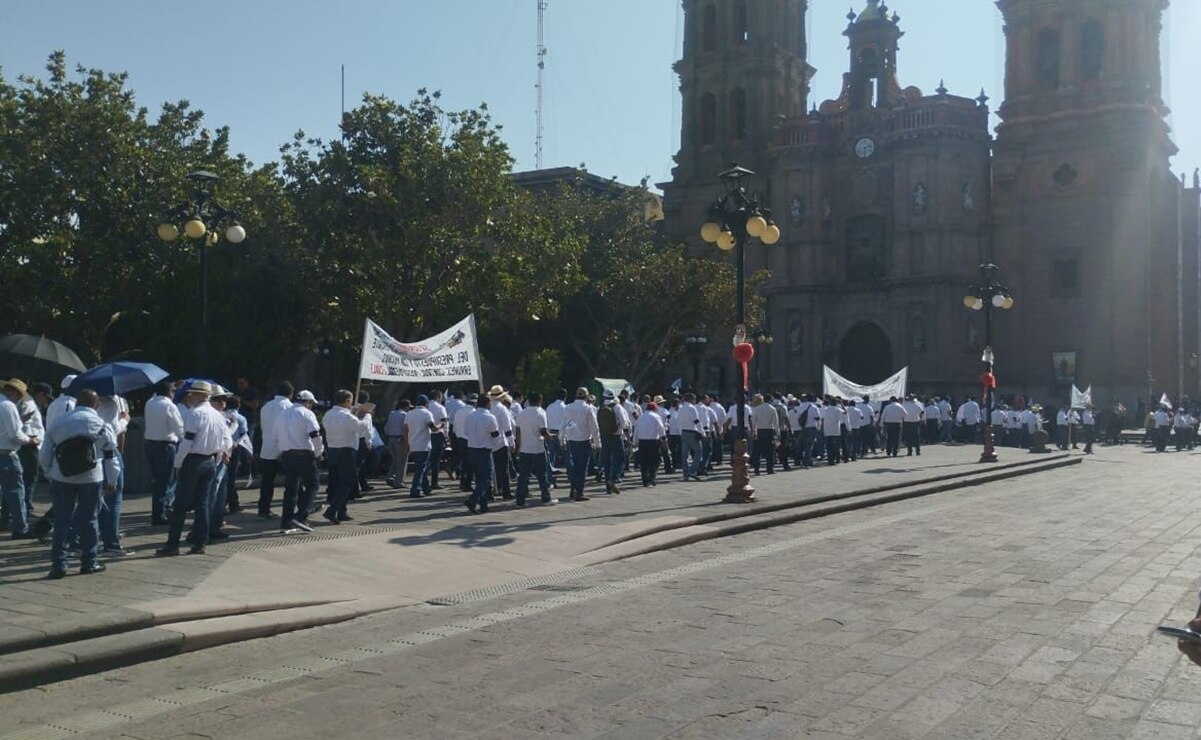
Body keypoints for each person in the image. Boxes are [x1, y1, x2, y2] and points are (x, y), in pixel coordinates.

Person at [39, 389, 120, 578]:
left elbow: (45, 455)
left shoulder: (58, 423)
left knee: (61, 520)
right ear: (96, 404)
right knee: (90, 519)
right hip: (91, 477)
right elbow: (111, 456)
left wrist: (50, 472)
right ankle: (89, 562)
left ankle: (59, 565)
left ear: (76, 403)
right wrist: (112, 479)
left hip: (62, 476)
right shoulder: (101, 425)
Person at [155, 381, 231, 556]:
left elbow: (188, 442)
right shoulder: (218, 415)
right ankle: (200, 543)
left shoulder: (194, 414)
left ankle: (173, 544)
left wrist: (178, 464)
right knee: (203, 504)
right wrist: (219, 456)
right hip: (210, 460)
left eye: (193, 393)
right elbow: (225, 441)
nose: (190, 396)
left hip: (194, 460)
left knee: (180, 505)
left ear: (199, 395)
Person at [276, 390, 324, 532]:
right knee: (313, 484)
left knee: (290, 490)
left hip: (287, 454)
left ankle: (286, 523)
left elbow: (276, 434)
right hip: (304, 454)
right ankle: (302, 515)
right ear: (307, 402)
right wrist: (318, 452)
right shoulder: (307, 413)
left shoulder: (282, 414)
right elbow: (315, 435)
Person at [323, 389, 373, 522]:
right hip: (345, 450)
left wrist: (355, 414)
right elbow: (361, 428)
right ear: (346, 401)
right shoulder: (346, 416)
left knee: (339, 481)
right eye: (350, 401)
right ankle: (333, 509)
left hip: (333, 449)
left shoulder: (328, 414)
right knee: (349, 481)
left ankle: (341, 511)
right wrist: (367, 415)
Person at [96, 392, 132, 556]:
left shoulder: (89, 403)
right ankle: (111, 541)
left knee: (97, 499)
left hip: (94, 453)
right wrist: (124, 420)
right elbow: (111, 430)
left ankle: (96, 535)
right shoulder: (110, 404)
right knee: (114, 497)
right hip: (109, 452)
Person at [144, 381, 184, 526]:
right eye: (173, 391)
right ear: (169, 392)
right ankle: (161, 512)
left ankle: (158, 511)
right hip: (165, 445)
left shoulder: (150, 403)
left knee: (157, 480)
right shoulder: (169, 406)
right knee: (166, 480)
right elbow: (179, 428)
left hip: (150, 444)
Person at [0, 379, 32, 539]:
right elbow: (14, 434)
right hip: (6, 453)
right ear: (14, 393)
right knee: (16, 492)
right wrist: (30, 439)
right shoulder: (8, 405)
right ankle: (21, 527)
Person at [256, 382, 293, 519]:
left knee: (267, 482)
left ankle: (263, 509)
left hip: (267, 448)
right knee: (293, 482)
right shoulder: (288, 407)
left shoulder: (266, 406)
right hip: (284, 448)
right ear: (291, 393)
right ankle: (294, 509)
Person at [514, 392, 555, 506]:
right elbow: (543, 431)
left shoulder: (522, 413)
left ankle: (520, 501)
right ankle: (546, 498)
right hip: (537, 448)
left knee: (523, 476)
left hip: (524, 448)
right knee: (542, 475)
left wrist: (518, 445)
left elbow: (517, 431)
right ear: (540, 401)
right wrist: (550, 436)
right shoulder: (540, 413)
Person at [462, 394, 500, 514]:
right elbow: (495, 434)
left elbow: (466, 432)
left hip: (472, 449)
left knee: (479, 479)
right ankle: (473, 499)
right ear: (488, 403)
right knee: (487, 479)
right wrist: (495, 444)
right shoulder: (490, 417)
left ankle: (484, 505)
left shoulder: (470, 416)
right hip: (483, 450)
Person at [561, 387, 600, 501]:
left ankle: (573, 488)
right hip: (584, 441)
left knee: (574, 467)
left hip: (571, 441)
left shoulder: (568, 408)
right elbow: (594, 427)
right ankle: (580, 492)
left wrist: (562, 439)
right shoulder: (588, 409)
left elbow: (564, 424)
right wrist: (598, 442)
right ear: (586, 396)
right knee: (582, 468)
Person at [404, 395, 437, 499]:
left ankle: (426, 488)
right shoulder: (427, 413)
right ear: (426, 404)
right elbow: (432, 427)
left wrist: (407, 442)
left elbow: (405, 428)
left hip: (413, 444)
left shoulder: (409, 413)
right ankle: (415, 489)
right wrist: (441, 426)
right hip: (424, 445)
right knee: (421, 469)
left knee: (421, 467)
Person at [597, 389, 627, 494]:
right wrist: (619, 430)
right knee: (620, 458)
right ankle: (613, 479)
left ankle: (607, 485)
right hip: (615, 436)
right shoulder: (617, 407)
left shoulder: (599, 407)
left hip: (604, 436)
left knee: (607, 461)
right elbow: (624, 422)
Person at [634, 401, 667, 486]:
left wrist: (635, 441)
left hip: (642, 442)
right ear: (654, 408)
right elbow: (661, 429)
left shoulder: (640, 417)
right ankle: (652, 477)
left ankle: (645, 480)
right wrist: (663, 440)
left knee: (644, 462)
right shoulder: (656, 417)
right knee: (655, 460)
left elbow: (636, 431)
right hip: (653, 442)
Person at [749, 393, 778, 475]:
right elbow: (775, 423)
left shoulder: (756, 409)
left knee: (757, 451)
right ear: (770, 400)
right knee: (770, 451)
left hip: (759, 431)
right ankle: (769, 469)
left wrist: (753, 432)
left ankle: (756, 469)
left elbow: (754, 421)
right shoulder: (772, 409)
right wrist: (777, 433)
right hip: (769, 431)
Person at [384, 400, 409, 489]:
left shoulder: (392, 414)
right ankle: (399, 481)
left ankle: (390, 476)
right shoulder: (404, 415)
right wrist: (407, 441)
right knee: (402, 461)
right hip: (400, 438)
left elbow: (386, 428)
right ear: (405, 407)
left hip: (390, 438)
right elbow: (405, 429)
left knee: (394, 460)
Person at [427, 391, 449, 490]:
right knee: (436, 461)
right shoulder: (440, 408)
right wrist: (446, 436)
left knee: (427, 459)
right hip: (438, 435)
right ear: (438, 397)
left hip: (427, 435)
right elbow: (444, 422)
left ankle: (424, 482)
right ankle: (434, 482)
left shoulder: (426, 406)